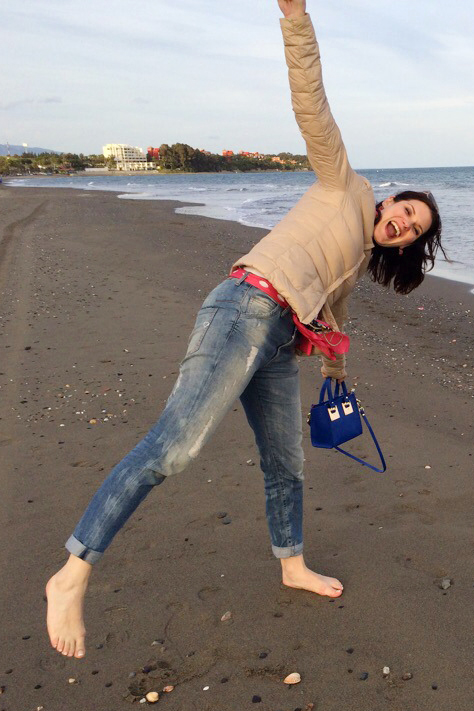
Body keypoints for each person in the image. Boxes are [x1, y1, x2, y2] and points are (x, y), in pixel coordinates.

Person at [46, 0, 445, 659]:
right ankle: (73, 570)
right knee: (175, 449)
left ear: (406, 244)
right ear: (390, 199)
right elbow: (312, 104)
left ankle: (292, 564)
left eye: (414, 230)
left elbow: (333, 313)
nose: (403, 224)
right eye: (406, 210)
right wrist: (296, 21)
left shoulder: (356, 257)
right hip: (245, 308)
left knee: (287, 463)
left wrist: (338, 374)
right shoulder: (344, 184)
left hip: (281, 343)